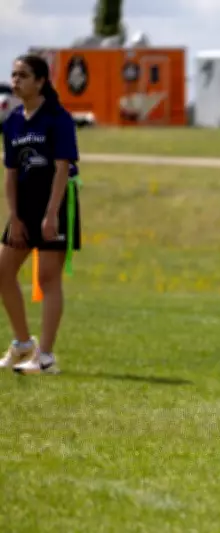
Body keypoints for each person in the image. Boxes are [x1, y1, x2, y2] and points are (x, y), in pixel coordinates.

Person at [0, 54, 82, 375]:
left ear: (41, 81)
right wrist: (15, 216)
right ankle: (23, 344)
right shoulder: (12, 122)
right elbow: (10, 173)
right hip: (23, 209)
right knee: (3, 272)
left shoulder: (58, 119)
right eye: (14, 75)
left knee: (47, 278)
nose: (16, 81)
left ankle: (45, 357)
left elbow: (62, 169)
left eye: (23, 75)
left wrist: (51, 215)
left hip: (55, 206)